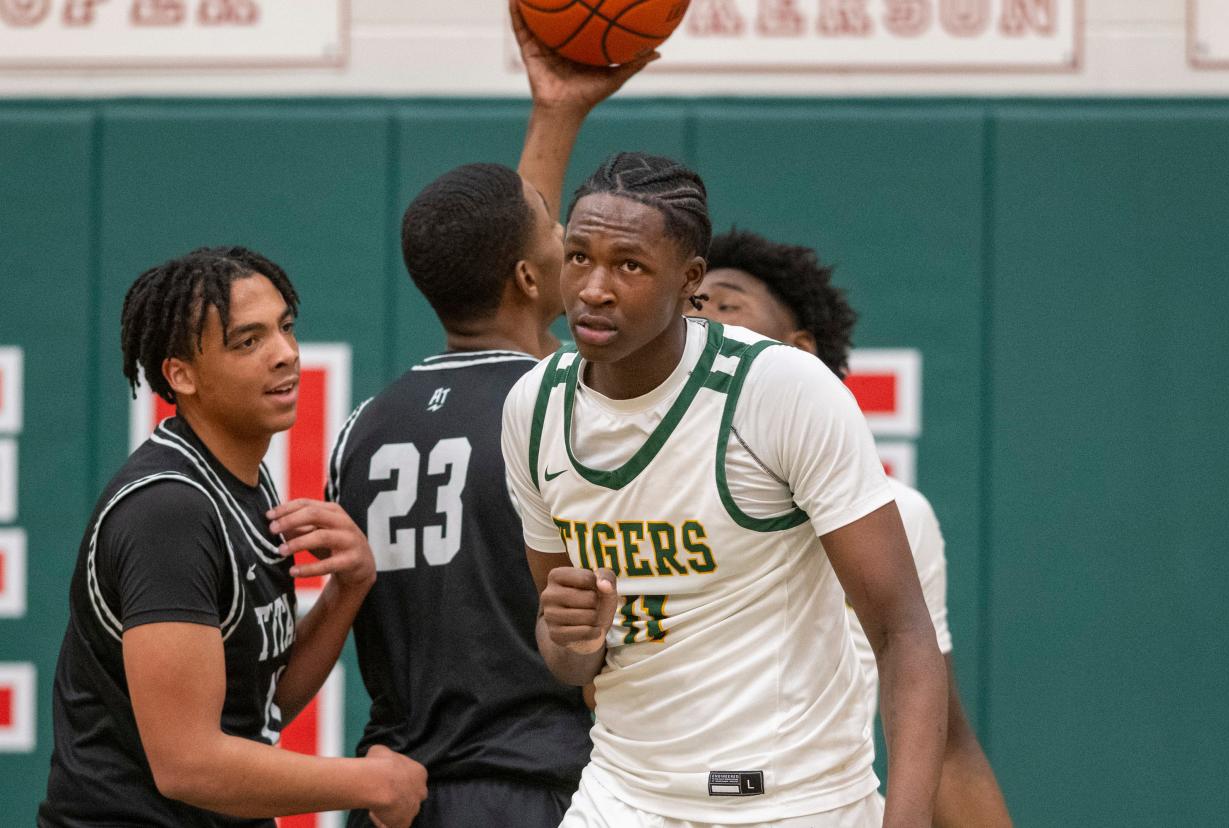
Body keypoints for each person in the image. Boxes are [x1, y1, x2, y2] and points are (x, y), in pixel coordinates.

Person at [501, 153, 947, 828]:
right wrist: (565, 634)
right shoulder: (532, 408)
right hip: (622, 798)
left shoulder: (780, 390)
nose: (593, 287)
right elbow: (572, 658)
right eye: (579, 256)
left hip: (793, 804)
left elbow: (903, 631)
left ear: (689, 282)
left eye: (629, 265)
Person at [322, 7, 654, 826]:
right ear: (530, 277)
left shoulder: (361, 427)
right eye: (559, 238)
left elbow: (509, 234)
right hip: (535, 785)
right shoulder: (568, 404)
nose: (568, 241)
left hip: (397, 791)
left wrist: (556, 111)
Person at [38, 248, 426, 828]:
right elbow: (188, 764)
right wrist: (370, 782)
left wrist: (349, 587)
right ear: (181, 375)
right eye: (248, 341)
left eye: (285, 328)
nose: (285, 354)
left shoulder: (241, 483)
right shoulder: (169, 513)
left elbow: (257, 708)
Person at [691, 228, 1013, 827]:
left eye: (726, 302)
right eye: (690, 306)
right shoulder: (630, 483)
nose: (702, 316)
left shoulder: (897, 515)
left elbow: (945, 746)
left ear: (801, 351)